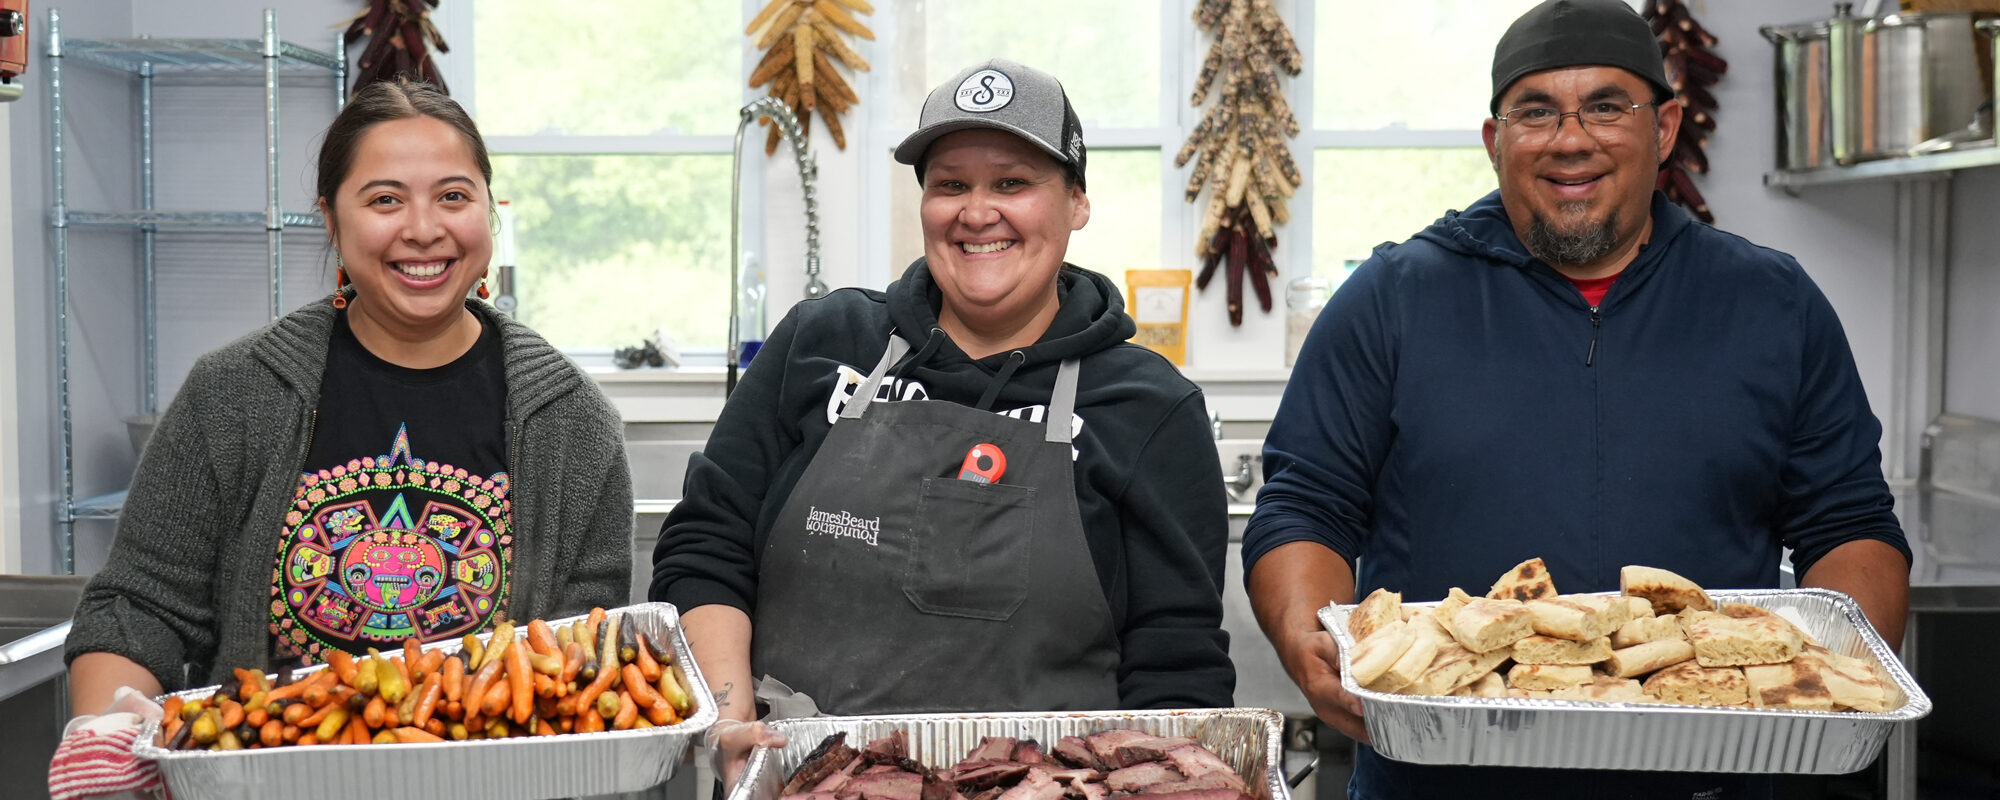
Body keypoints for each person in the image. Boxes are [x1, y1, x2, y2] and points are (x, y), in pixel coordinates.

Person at [1242, 2, 1912, 798]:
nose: (1570, 139)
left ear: (1663, 129)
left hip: (1717, 779)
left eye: (1605, 106)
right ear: (1496, 143)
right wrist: (1305, 640)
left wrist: (1836, 672)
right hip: (1444, 778)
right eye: (1536, 112)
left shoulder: (1771, 303)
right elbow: (1305, 505)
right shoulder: (1392, 300)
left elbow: (1850, 522)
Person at [652, 58, 1235, 788]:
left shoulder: (1149, 406)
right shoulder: (822, 340)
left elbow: (1175, 660)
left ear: (1077, 203)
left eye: (1012, 183)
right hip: (804, 783)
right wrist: (732, 722)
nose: (976, 211)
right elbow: (709, 545)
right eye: (950, 184)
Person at [55, 79, 632, 779]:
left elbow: (580, 667)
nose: (423, 228)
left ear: (489, 211)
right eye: (385, 199)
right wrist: (108, 724)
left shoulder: (573, 424)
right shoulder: (232, 396)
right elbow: (138, 608)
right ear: (331, 218)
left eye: (453, 196)